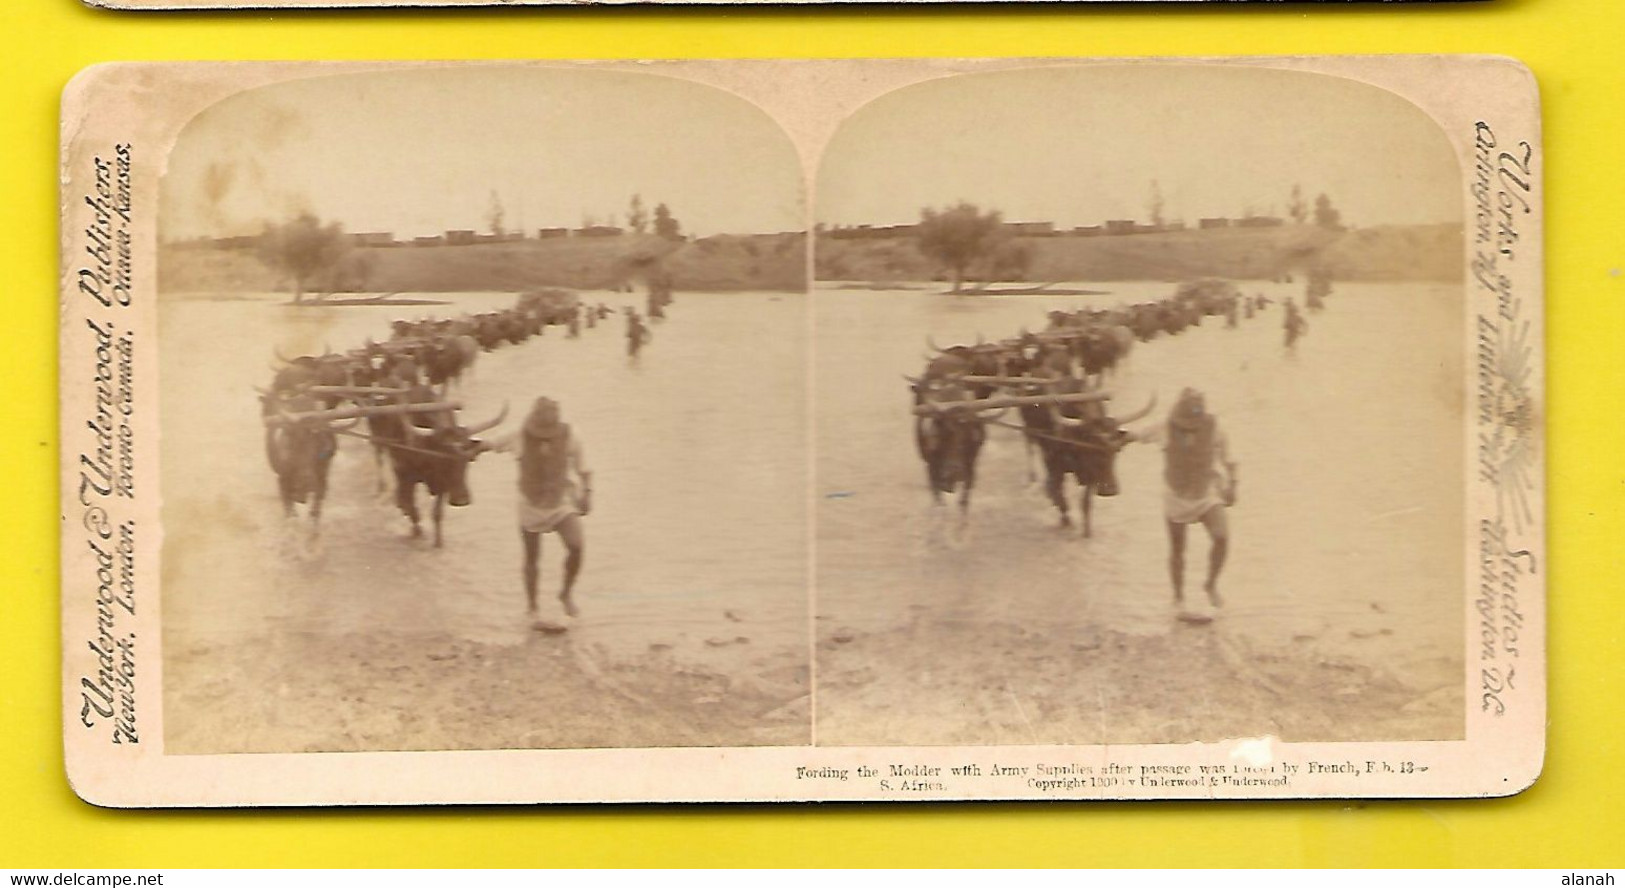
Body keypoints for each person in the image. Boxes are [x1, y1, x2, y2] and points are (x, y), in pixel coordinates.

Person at [492, 397, 592, 632]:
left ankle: (565, 593)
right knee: (531, 559)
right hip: (530, 504)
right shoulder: (519, 434)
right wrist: (469, 447)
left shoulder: (571, 435)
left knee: (576, 546)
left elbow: (584, 468)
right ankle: (532, 607)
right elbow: (490, 444)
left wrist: (587, 493)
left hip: (560, 501)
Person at [1139, 388, 1237, 613]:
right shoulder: (1164, 427)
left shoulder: (1215, 429)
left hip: (1206, 492)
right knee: (1177, 550)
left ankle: (1210, 585)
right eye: (1184, 425)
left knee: (1221, 537)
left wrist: (1233, 485)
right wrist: (1114, 437)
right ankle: (1178, 597)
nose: (1189, 430)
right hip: (1176, 495)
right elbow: (1136, 436)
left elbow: (1229, 459)